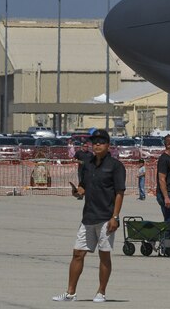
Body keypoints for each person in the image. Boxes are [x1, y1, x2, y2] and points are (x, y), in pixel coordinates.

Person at [52, 129, 125, 303]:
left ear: (108, 145)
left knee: (104, 255)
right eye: (94, 142)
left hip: (106, 218)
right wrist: (78, 192)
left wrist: (115, 217)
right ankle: (70, 293)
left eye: (101, 142)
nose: (97, 145)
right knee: (77, 253)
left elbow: (119, 193)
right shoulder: (87, 163)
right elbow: (83, 186)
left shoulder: (115, 166)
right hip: (88, 217)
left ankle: (101, 292)